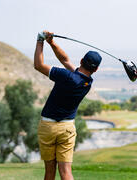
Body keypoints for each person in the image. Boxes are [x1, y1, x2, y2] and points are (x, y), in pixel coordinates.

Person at [34, 30, 102, 180]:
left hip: (48, 127)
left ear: (81, 61)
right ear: (96, 69)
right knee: (66, 172)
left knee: (49, 170)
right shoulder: (87, 82)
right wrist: (51, 42)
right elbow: (65, 60)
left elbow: (38, 65)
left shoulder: (65, 76)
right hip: (67, 129)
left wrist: (40, 40)